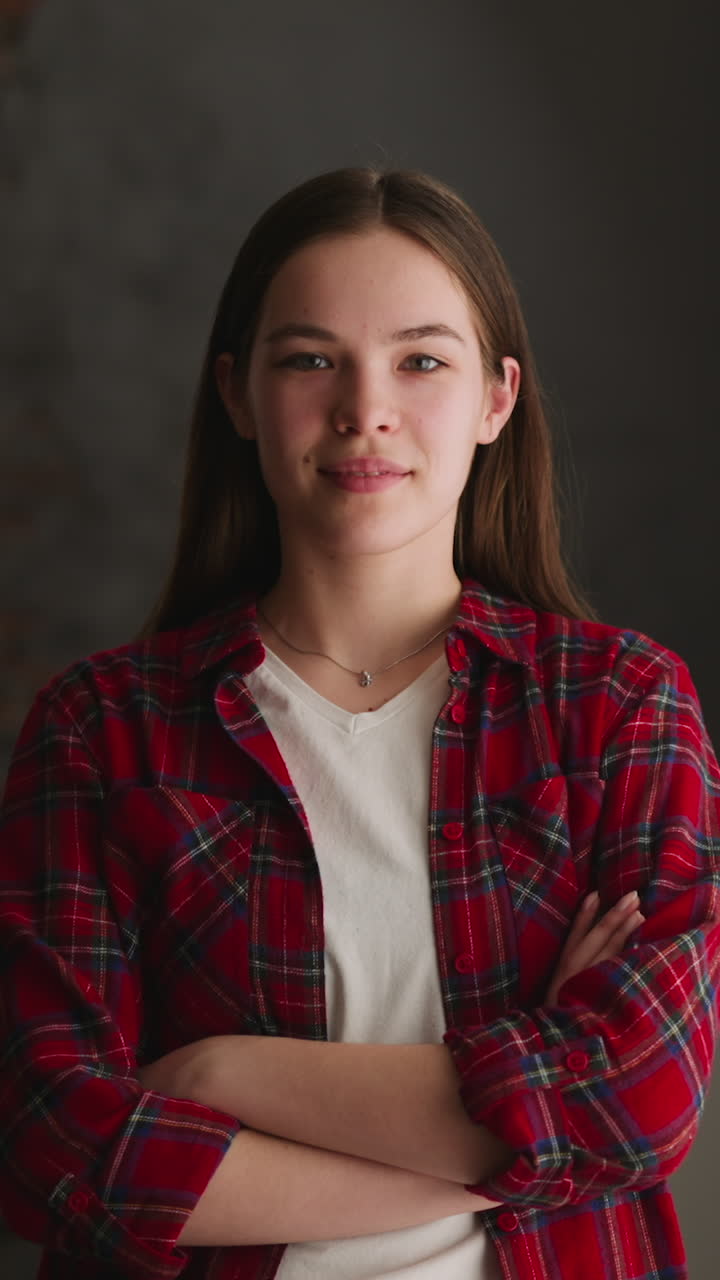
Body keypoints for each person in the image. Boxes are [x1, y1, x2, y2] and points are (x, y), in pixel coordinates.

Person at [0, 167, 718, 1280]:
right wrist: (509, 1145)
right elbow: (51, 1131)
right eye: (310, 358)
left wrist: (220, 1075)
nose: (364, 408)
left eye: (422, 359)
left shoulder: (619, 708)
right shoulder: (103, 730)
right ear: (238, 395)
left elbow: (638, 1101)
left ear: (496, 399)